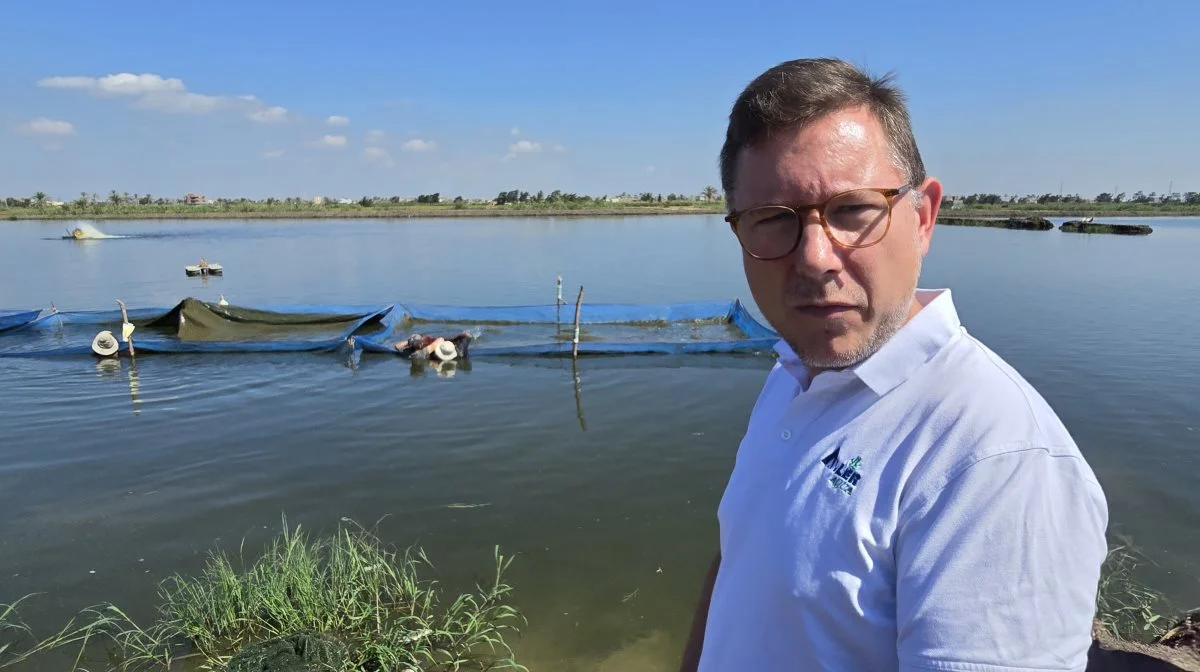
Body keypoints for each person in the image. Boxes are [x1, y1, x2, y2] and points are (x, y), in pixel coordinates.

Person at [679, 58, 1109, 671]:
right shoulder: (794, 373)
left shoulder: (993, 459)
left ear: (923, 216)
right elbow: (737, 562)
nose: (815, 258)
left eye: (853, 210)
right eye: (773, 219)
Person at [394, 331, 472, 361]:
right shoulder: (423, 352)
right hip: (458, 351)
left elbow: (397, 346)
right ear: (421, 345)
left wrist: (409, 341)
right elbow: (439, 340)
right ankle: (464, 335)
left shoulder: (406, 352)